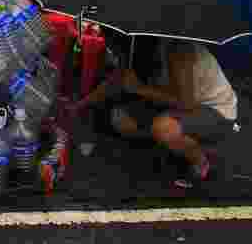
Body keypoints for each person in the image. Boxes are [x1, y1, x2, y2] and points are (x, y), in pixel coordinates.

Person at [74, 39, 238, 182]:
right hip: (177, 105)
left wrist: (140, 89)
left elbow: (187, 103)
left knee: (164, 129)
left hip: (214, 110)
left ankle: (201, 160)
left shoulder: (179, 50)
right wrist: (80, 105)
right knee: (121, 120)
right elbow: (115, 81)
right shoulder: (136, 48)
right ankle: (176, 143)